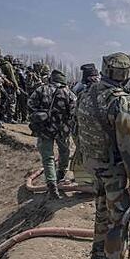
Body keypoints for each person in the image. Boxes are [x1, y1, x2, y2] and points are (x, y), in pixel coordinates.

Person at [76, 52, 130, 259]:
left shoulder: (86, 93)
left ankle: (97, 254)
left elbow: (79, 129)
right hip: (113, 168)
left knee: (102, 208)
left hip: (92, 163)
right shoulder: (121, 102)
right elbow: (129, 146)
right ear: (126, 74)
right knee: (119, 219)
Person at [28, 69, 76, 198]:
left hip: (45, 129)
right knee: (65, 152)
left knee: (48, 157)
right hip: (63, 129)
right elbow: (74, 113)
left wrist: (39, 114)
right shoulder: (70, 94)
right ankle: (61, 173)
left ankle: (52, 184)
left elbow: (30, 104)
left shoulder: (41, 90)